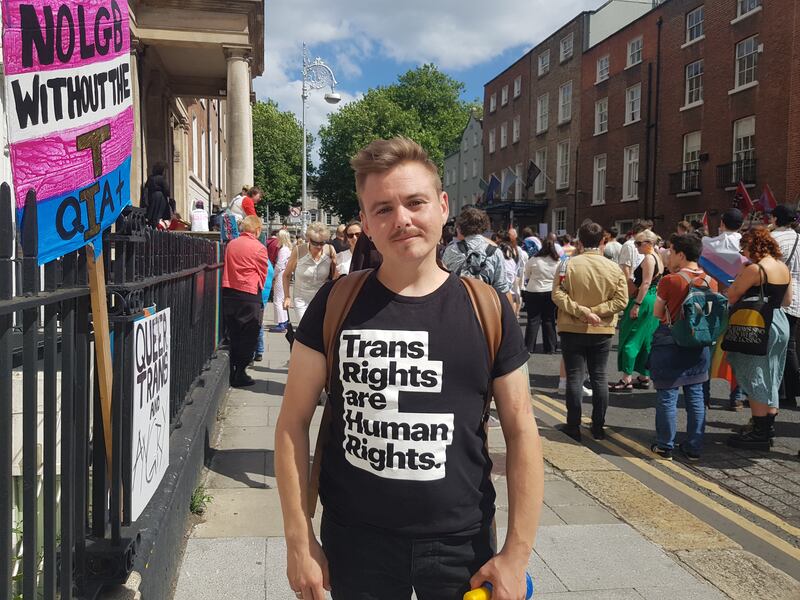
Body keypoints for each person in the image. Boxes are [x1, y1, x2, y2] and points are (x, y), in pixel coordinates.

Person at [275, 136, 543, 600]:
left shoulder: (488, 308)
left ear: (442, 207)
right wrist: (299, 540)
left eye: (415, 202)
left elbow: (521, 430)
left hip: (462, 544)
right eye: (383, 209)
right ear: (367, 222)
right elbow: (293, 422)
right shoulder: (337, 302)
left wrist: (516, 554)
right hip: (355, 542)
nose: (401, 219)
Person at [552, 222, 628, 441]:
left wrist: (582, 312)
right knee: (600, 377)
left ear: (580, 241)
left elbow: (557, 295)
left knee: (575, 377)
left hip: (571, 326)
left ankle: (573, 426)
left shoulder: (567, 265)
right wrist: (596, 312)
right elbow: (622, 300)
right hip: (602, 328)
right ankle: (598, 427)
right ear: (602, 241)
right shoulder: (614, 268)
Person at [726, 227, 792, 450]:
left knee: (755, 374)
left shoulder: (756, 268)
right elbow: (787, 301)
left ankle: (759, 433)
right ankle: (767, 426)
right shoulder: (783, 267)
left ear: (753, 246)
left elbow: (732, 294)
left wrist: (737, 280)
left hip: (758, 323)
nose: (743, 253)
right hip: (780, 322)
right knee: (773, 372)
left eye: (744, 248)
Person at [650, 235, 714, 461]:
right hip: (699, 342)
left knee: (667, 395)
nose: (668, 254)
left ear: (681, 254)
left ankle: (665, 445)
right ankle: (694, 447)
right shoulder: (710, 281)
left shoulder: (671, 280)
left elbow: (658, 314)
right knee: (695, 394)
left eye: (671, 250)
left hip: (671, 339)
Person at [610, 229, 664, 392]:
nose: (636, 246)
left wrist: (636, 304)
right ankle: (644, 376)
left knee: (630, 337)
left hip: (644, 300)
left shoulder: (648, 259)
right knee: (646, 338)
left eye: (638, 243)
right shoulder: (658, 256)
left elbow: (645, 283)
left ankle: (626, 379)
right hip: (653, 299)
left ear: (648, 243)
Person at [222, 216, 268, 387]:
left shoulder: (231, 244)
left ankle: (234, 369)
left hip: (229, 290)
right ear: (256, 229)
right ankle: (240, 372)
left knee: (234, 332)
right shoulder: (259, 248)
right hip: (249, 293)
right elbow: (263, 271)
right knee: (249, 333)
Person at [442, 207, 512, 299]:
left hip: (456, 304)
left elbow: (443, 282)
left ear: (460, 227)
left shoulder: (451, 250)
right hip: (484, 307)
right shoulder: (495, 252)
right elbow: (501, 288)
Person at [770, 204, 800, 409]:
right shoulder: (799, 239)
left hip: (779, 296)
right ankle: (790, 391)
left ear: (775, 219)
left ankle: (779, 391)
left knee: (775, 345)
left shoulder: (774, 239)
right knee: (789, 345)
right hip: (797, 297)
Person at [282, 222, 337, 322]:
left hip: (321, 299)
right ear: (308, 239)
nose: (319, 247)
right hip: (301, 299)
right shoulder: (299, 251)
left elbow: (335, 277)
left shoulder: (329, 250)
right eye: (315, 243)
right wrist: (287, 297)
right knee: (305, 328)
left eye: (322, 243)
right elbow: (286, 275)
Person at [523, 238, 560, 354]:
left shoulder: (534, 259)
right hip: (550, 291)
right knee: (549, 319)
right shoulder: (557, 261)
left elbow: (527, 274)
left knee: (533, 320)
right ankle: (550, 347)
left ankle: (529, 347)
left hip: (533, 291)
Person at [269, 230, 293, 333]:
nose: (277, 238)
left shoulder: (283, 250)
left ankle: (281, 323)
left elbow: (279, 265)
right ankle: (285, 321)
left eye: (278, 236)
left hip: (280, 274)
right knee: (282, 299)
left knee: (277, 299)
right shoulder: (288, 249)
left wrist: (273, 275)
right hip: (285, 273)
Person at [498, 230, 527, 316]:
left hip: (506, 273)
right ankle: (515, 315)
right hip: (515, 273)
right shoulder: (517, 249)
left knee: (507, 295)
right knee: (515, 295)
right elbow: (520, 262)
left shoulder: (501, 247)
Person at [142, 163, 172, 228]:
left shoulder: (150, 178)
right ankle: (157, 225)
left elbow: (146, 188)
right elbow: (166, 189)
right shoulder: (162, 179)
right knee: (159, 213)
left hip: (152, 196)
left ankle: (151, 224)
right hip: (161, 198)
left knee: (152, 212)